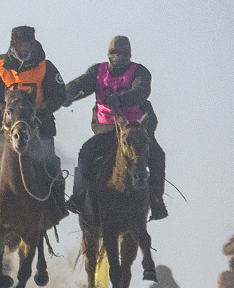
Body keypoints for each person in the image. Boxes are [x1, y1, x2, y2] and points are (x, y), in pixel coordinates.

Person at [0, 26, 68, 224]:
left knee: (51, 162)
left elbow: (60, 94)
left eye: (27, 44)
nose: (24, 48)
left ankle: (56, 205)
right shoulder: (1, 64)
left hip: (39, 123)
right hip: (6, 124)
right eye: (20, 44)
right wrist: (3, 111)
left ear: (33, 44)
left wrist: (42, 108)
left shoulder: (46, 66)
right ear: (13, 44)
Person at [63, 36, 167, 220]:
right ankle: (79, 196)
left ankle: (156, 199)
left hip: (135, 129)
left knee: (157, 155)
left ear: (129, 56)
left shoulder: (140, 72)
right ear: (109, 55)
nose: (119, 58)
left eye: (123, 55)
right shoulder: (98, 71)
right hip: (107, 128)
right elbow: (82, 84)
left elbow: (141, 91)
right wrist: (68, 92)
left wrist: (121, 99)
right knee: (86, 152)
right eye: (115, 54)